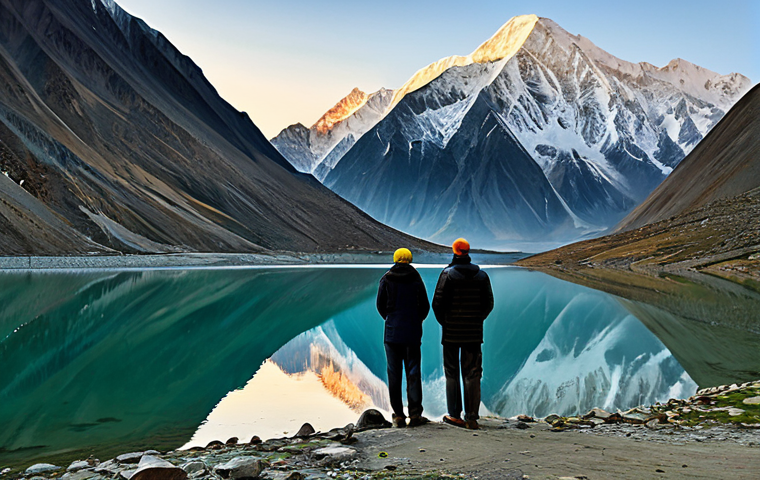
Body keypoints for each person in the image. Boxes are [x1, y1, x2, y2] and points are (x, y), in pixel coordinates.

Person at [432, 238, 494, 430]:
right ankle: (472, 418)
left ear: (454, 251)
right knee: (473, 373)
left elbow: (437, 304)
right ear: (468, 251)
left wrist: (447, 323)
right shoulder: (482, 276)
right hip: (474, 334)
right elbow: (489, 304)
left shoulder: (447, 275)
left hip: (451, 334)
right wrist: (477, 320)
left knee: (452, 373)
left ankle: (454, 415)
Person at [376, 247, 430, 428]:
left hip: (392, 334)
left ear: (395, 259)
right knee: (413, 372)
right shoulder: (416, 279)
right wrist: (416, 320)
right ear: (409, 259)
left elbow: (380, 305)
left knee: (394, 374)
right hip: (412, 333)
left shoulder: (386, 278)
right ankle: (415, 414)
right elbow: (425, 306)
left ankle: (398, 415)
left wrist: (391, 319)